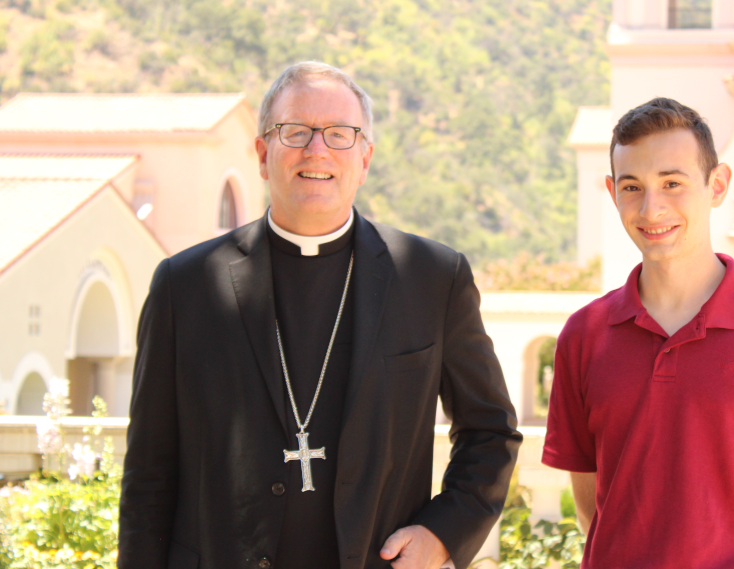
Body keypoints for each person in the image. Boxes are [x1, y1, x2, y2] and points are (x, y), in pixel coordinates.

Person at [119, 61, 521, 569]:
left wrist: (443, 535)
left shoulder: (432, 278)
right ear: (264, 155)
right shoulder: (186, 285)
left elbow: (490, 430)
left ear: (365, 158)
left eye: (339, 134)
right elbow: (148, 475)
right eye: (295, 132)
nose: (317, 150)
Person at [542, 98, 734, 568]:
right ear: (612, 192)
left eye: (672, 183)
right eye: (632, 187)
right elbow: (595, 509)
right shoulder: (583, 336)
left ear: (717, 184)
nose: (652, 207)